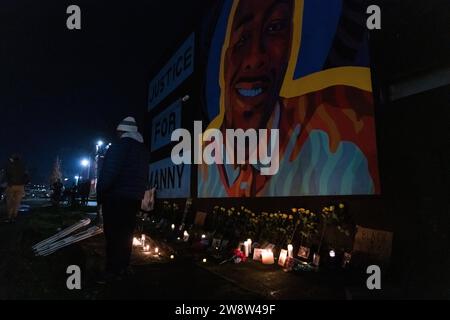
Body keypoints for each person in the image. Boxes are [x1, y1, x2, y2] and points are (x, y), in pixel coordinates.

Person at [199, 0, 379, 197]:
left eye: (274, 28)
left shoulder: (339, 131)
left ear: (290, 47)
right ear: (225, 62)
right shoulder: (203, 161)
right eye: (243, 38)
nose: (254, 58)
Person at [96, 116, 149, 282]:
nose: (116, 134)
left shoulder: (119, 147)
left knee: (112, 235)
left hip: (115, 197)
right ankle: (124, 267)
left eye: (118, 131)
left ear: (122, 131)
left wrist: (100, 194)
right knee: (126, 234)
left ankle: (111, 271)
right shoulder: (142, 150)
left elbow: (108, 174)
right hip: (133, 199)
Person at [4, 154, 29, 223]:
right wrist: (23, 183)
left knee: (10, 202)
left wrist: (8, 183)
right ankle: (14, 216)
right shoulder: (23, 166)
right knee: (17, 203)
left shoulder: (10, 165)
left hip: (11, 186)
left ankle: (9, 217)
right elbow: (26, 176)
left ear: (13, 159)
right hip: (20, 186)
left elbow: (6, 174)